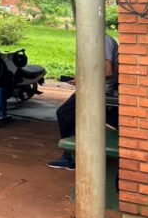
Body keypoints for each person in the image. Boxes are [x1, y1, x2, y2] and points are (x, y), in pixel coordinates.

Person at [47, 34, 119, 170]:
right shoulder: (98, 39)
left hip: (98, 89)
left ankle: (70, 157)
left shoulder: (101, 39)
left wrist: (83, 77)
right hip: (95, 87)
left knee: (64, 114)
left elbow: (108, 70)